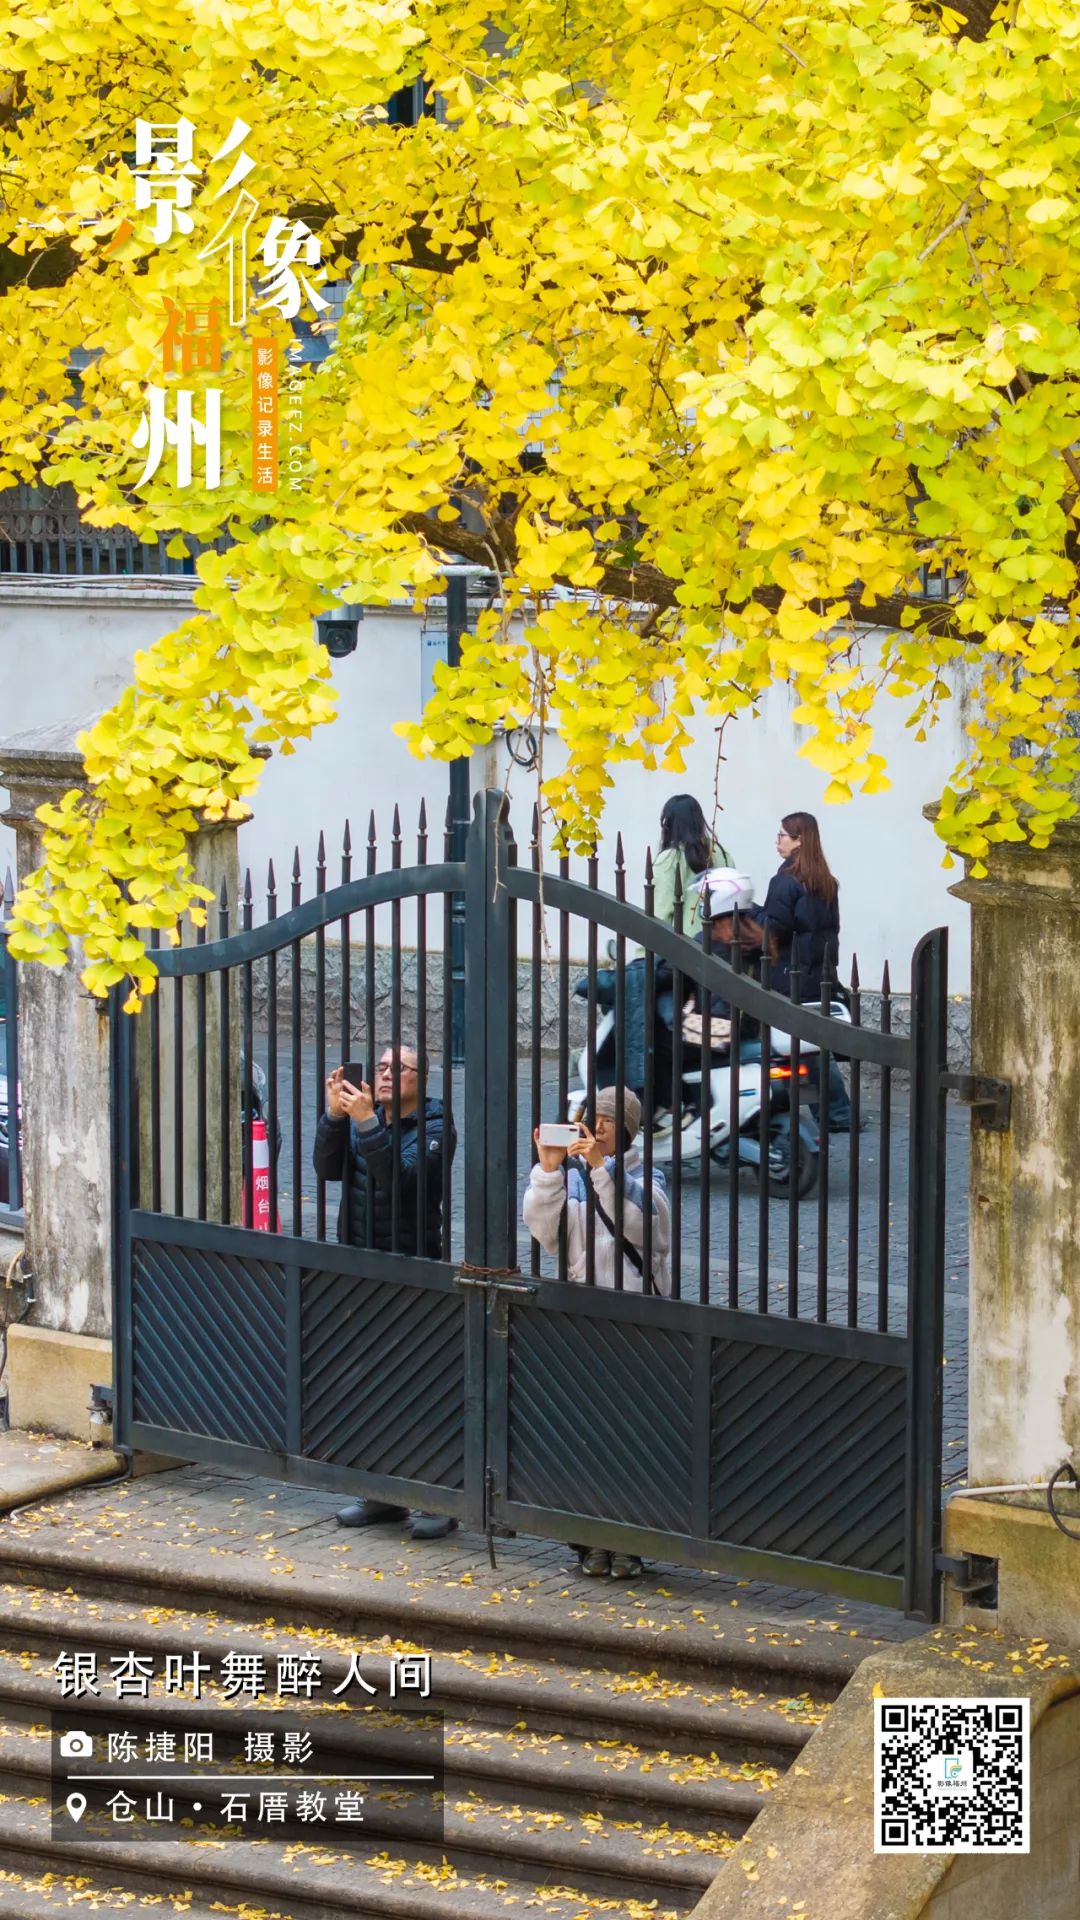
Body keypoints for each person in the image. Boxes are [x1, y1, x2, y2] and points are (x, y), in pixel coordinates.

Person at [313, 1042, 459, 1540]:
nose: (388, 1073)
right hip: (361, 1263)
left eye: (401, 1068)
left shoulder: (437, 1128)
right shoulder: (362, 1119)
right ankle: (381, 1493)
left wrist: (367, 1123)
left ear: (423, 1079)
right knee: (368, 1382)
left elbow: (403, 1180)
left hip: (413, 1265)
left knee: (423, 1385)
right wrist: (335, 1117)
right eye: (380, 1066)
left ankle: (439, 1496)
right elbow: (327, 1170)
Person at [523, 1087, 670, 1581]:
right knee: (581, 1433)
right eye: (592, 1118)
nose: (598, 1127)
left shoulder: (648, 1177)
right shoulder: (571, 1177)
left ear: (626, 1128)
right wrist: (547, 1169)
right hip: (579, 1318)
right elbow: (545, 1233)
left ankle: (630, 1540)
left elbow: (648, 1231)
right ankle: (586, 1540)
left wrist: (604, 1170)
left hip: (634, 1322)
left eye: (607, 1120)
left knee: (631, 1435)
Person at [758, 813, 853, 1133]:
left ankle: (836, 1114)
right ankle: (832, 1113)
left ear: (799, 840)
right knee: (810, 1046)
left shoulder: (785, 881)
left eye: (783, 835)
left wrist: (752, 913)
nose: (777, 840)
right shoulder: (825, 881)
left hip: (789, 974)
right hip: (818, 973)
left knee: (803, 1047)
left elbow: (774, 930)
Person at [651, 794, 732, 935]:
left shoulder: (669, 859)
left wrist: (644, 954)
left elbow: (660, 914)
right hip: (721, 946)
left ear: (669, 824)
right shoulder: (720, 852)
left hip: (686, 949)